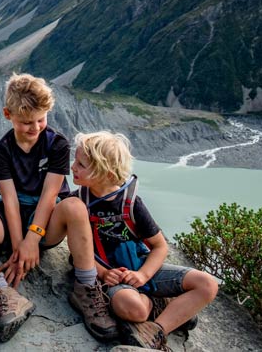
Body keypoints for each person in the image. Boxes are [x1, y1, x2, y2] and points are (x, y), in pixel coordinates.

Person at [0, 73, 118, 343]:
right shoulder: (1, 150)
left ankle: (86, 287)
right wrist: (19, 246)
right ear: (8, 114)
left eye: (41, 119)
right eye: (26, 122)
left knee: (75, 206)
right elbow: (8, 200)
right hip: (10, 218)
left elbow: (49, 195)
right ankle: (4, 293)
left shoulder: (57, 144)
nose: (35, 127)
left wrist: (33, 239)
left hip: (47, 220)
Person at [71, 131, 219, 350]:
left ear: (108, 174)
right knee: (134, 309)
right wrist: (103, 274)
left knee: (208, 284)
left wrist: (143, 275)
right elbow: (78, 252)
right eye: (75, 160)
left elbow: (159, 246)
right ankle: (160, 303)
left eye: (81, 164)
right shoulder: (76, 204)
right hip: (113, 276)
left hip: (141, 267)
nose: (73, 166)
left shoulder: (131, 204)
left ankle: (157, 330)